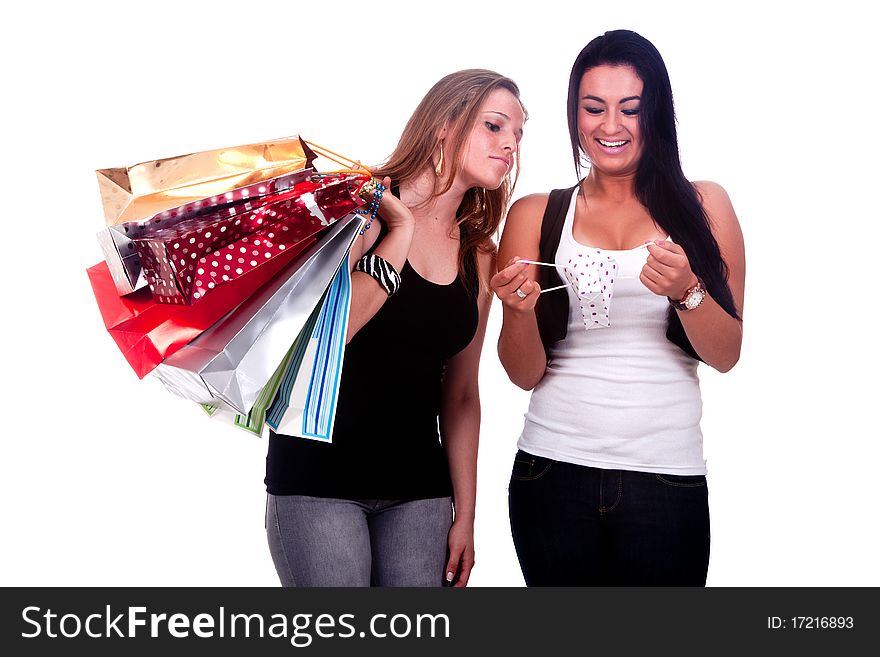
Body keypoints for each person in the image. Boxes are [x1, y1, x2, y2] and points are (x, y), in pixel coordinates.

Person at [491, 30, 744, 586]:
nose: (610, 127)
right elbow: (522, 373)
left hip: (666, 480)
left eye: (630, 109)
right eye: (593, 108)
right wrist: (517, 312)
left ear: (656, 115)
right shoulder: (536, 214)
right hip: (550, 472)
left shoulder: (704, 205)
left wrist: (688, 290)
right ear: (573, 115)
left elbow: (726, 354)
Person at [265, 70, 526, 587]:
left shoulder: (478, 252)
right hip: (318, 481)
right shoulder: (362, 209)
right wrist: (400, 229)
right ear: (444, 126)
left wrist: (467, 514)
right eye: (495, 126)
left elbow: (462, 394)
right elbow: (325, 339)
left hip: (420, 493)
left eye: (518, 134)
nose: (510, 144)